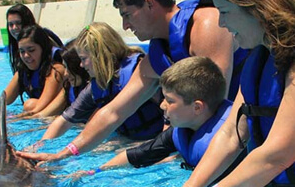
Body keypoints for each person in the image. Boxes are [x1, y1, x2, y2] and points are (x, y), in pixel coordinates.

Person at [17, 0, 246, 164]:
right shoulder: (158, 55)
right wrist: (63, 154)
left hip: (240, 129)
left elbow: (214, 107)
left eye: (127, 15)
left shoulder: (206, 26)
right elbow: (114, 111)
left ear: (149, 4)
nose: (125, 26)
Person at [137, 0, 295, 187]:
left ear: (256, 5)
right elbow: (232, 134)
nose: (222, 24)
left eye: (225, 12)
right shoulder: (261, 59)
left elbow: (277, 153)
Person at [18, 22, 165, 160]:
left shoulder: (140, 73)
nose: (81, 65)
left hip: (157, 139)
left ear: (100, 55)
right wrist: (36, 146)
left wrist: (156, 146)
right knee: (89, 154)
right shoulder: (98, 85)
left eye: (83, 58)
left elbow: (173, 116)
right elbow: (64, 120)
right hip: (127, 139)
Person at [83, 57, 245, 176]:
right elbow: (139, 154)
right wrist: (94, 172)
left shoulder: (227, 143)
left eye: (169, 100)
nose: (162, 105)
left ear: (197, 107)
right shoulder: (183, 129)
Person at [0, 25, 66, 115]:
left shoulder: (56, 70)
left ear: (43, 49)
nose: (26, 55)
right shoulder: (23, 72)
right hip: (41, 113)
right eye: (22, 51)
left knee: (29, 105)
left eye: (31, 50)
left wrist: (15, 120)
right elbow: (0, 103)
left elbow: (40, 107)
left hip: (56, 113)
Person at [5, 3, 63, 74]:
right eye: (11, 24)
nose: (14, 27)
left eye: (18, 23)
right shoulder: (16, 45)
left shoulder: (44, 38)